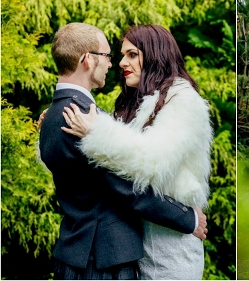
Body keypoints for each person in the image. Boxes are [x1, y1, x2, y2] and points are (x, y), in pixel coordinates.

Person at [38, 22, 207, 280]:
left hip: (165, 243)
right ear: (87, 60)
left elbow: (148, 161)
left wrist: (187, 219)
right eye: (110, 55)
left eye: (131, 54)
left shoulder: (179, 100)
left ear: (154, 56)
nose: (115, 63)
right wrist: (189, 219)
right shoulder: (78, 116)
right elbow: (125, 187)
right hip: (107, 253)